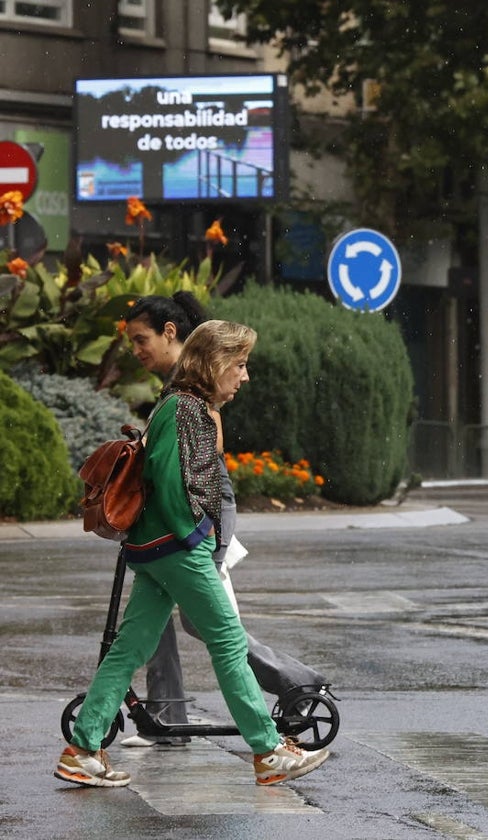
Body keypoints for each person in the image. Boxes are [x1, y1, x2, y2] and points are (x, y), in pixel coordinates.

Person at [55, 320, 329, 788]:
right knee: (227, 641)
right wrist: (198, 534)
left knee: (129, 648)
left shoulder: (176, 405)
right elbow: (171, 479)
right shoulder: (187, 408)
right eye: (239, 365)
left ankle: (83, 748)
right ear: (215, 362)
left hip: (156, 548)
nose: (245, 377)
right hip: (179, 549)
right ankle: (268, 750)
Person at [119, 293, 329, 747]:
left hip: (200, 511)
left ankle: (298, 683)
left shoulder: (192, 384)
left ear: (169, 333)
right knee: (155, 625)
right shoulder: (178, 382)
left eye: (142, 339)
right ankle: (167, 719)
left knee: (206, 624)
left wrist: (198, 536)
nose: (136, 350)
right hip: (183, 515)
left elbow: (206, 467)